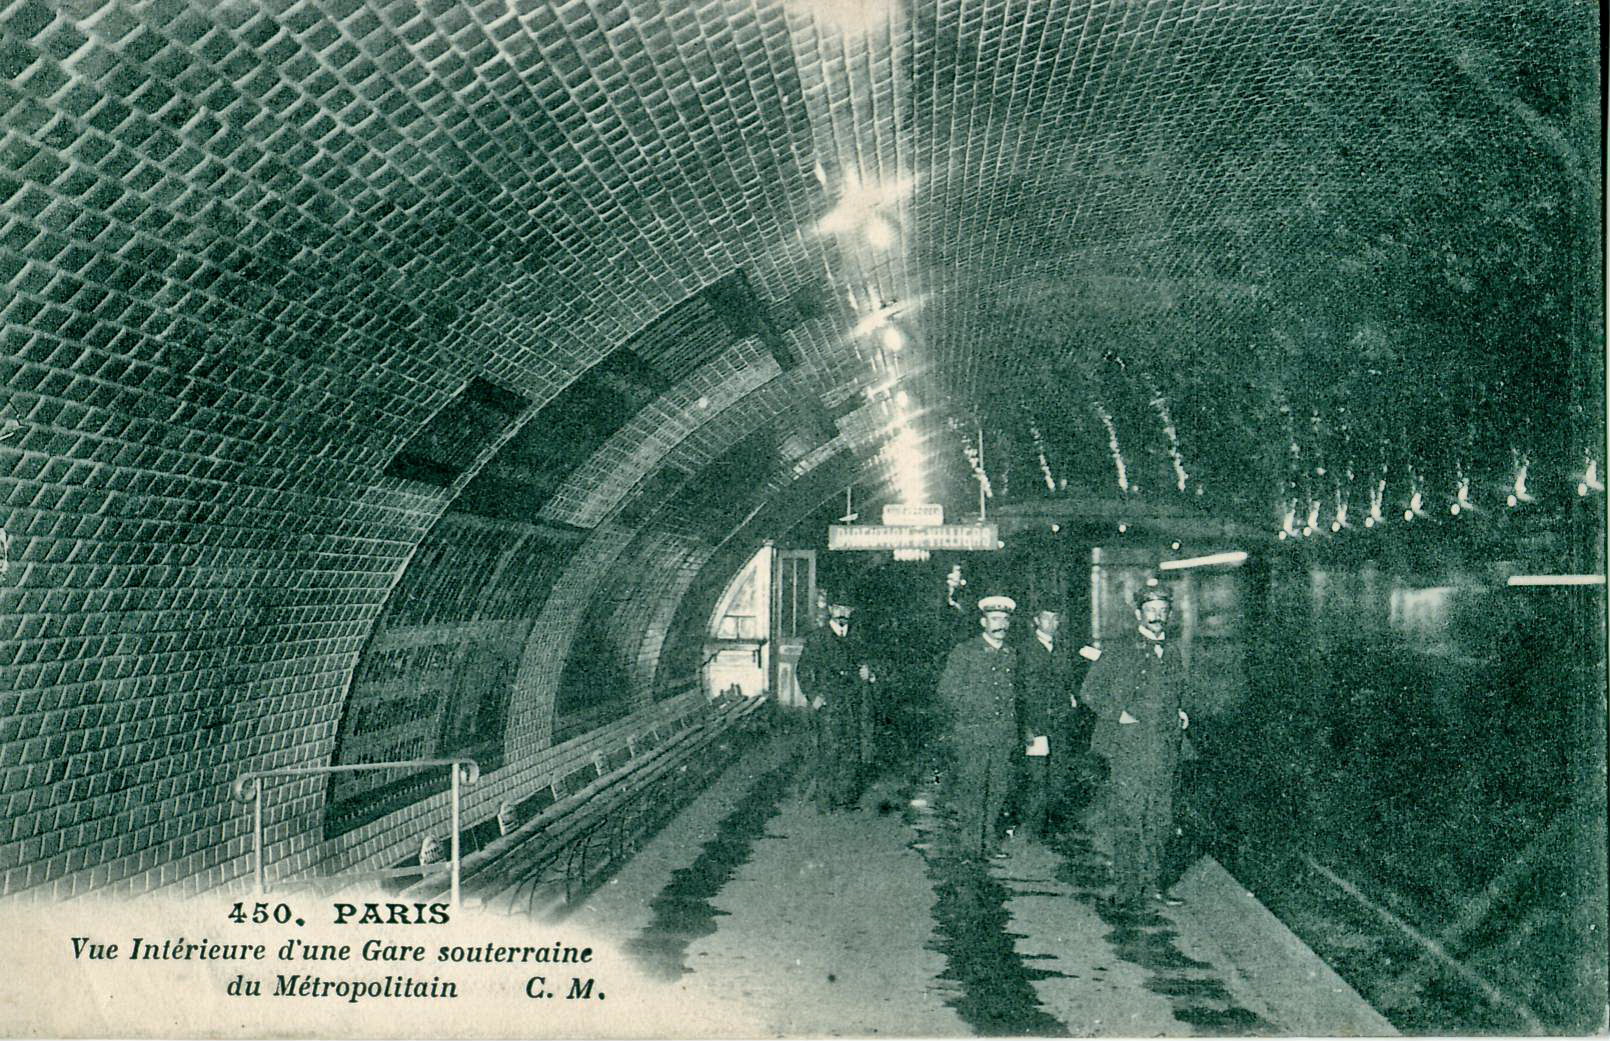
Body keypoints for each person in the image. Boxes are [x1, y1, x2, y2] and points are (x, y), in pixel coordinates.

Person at [1079, 585, 1191, 908]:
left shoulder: (1171, 651)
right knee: (1129, 817)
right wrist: (1119, 714)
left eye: (1162, 610)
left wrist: (1180, 711)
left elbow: (1175, 691)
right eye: (1151, 610)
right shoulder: (1120, 649)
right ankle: (1128, 889)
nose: (1157, 616)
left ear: (1168, 615)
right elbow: (1091, 691)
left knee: (1161, 819)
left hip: (1165, 748)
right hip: (1129, 749)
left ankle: (1154, 884)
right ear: (1138, 614)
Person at [935, 594, 1019, 858]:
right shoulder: (965, 652)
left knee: (997, 790)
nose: (1000, 625)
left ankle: (988, 841)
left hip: (1002, 734)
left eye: (1004, 620)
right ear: (983, 622)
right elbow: (947, 691)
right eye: (995, 619)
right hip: (973, 733)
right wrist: (972, 714)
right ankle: (971, 845)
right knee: (973, 790)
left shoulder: (1011, 653)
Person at [796, 589, 875, 812]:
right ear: (830, 610)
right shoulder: (817, 638)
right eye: (838, 608)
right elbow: (802, 670)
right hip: (829, 704)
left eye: (847, 609)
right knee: (829, 751)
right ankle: (825, 801)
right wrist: (813, 696)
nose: (842, 613)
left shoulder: (858, 637)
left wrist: (869, 672)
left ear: (852, 612)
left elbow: (869, 664)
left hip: (853, 703)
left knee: (851, 750)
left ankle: (845, 799)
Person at [1015, 604, 1073, 840]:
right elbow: (1019, 691)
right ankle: (1033, 828)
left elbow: (1066, 682)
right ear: (1036, 621)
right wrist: (1025, 726)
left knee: (1058, 776)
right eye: (1046, 618)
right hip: (1036, 723)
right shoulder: (1025, 650)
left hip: (1059, 722)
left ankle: (1051, 826)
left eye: (1055, 619)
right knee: (1037, 778)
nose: (1051, 623)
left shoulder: (1062, 649)